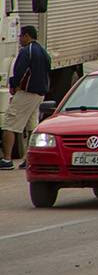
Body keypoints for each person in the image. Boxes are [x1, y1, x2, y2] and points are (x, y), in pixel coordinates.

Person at [2, 25, 53, 170]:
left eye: (21, 36)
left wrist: (13, 84)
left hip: (27, 92)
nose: (20, 40)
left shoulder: (27, 51)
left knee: (9, 124)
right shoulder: (43, 52)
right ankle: (30, 159)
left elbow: (21, 71)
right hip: (39, 94)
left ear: (27, 36)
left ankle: (7, 160)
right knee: (32, 127)